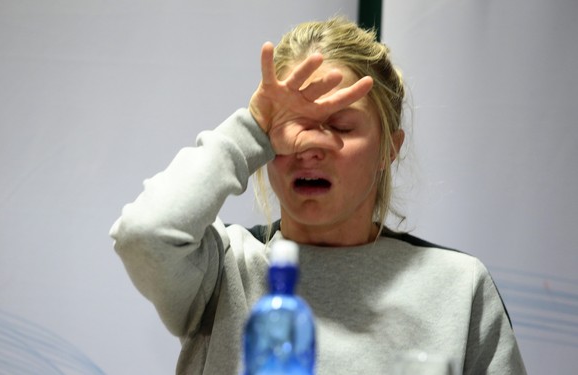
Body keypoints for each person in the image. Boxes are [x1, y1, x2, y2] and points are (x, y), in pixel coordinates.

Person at [110, 17, 526, 375]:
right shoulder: (224, 268)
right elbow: (145, 234)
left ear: (389, 148)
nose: (310, 146)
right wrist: (252, 129)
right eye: (291, 127)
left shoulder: (458, 286)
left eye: (341, 126)